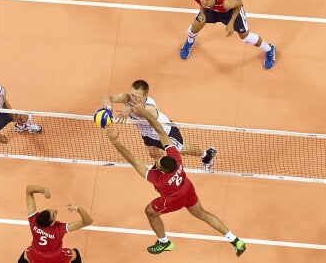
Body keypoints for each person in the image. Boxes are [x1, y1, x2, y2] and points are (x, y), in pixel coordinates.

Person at [103, 99, 246, 256]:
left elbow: (131, 159)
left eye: (157, 163)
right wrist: (145, 114)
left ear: (162, 171)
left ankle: (164, 242)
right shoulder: (176, 158)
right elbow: (161, 131)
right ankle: (235, 240)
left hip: (173, 199)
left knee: (149, 212)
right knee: (202, 213)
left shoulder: (158, 179)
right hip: (187, 188)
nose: (156, 161)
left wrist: (114, 140)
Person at [103, 79, 217, 170]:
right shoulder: (126, 98)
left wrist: (129, 110)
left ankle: (207, 155)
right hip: (147, 135)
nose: (132, 98)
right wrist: (107, 104)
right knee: (153, 154)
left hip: (165, 132)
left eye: (136, 97)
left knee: (181, 150)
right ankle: (164, 169)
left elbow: (142, 111)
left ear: (145, 96)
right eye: (132, 94)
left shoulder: (150, 106)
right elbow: (107, 97)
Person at [179, 0, 277, 69]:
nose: (204, 1)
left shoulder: (226, 2)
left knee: (245, 37)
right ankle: (190, 42)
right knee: (195, 26)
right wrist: (203, 13)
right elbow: (202, 3)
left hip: (231, 11)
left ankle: (270, 49)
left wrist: (231, 22)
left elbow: (239, 4)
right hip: (211, 9)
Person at [19, 185, 93, 263]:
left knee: (25, 254)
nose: (55, 211)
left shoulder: (33, 220)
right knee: (75, 253)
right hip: (55, 259)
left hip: (35, 256)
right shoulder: (59, 229)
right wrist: (78, 208)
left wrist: (43, 189)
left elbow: (28, 191)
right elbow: (88, 222)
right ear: (51, 223)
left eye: (50, 210)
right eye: (53, 215)